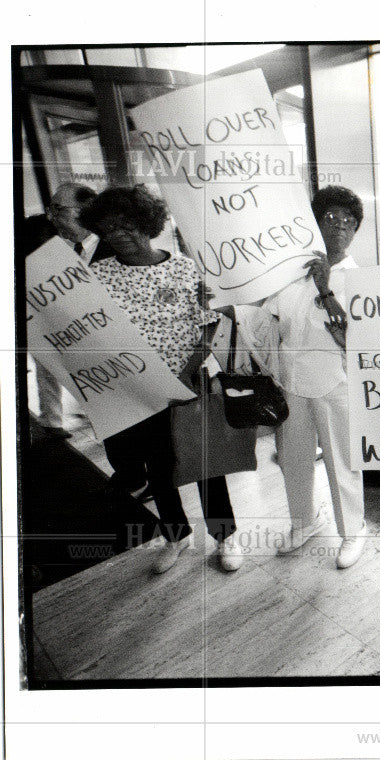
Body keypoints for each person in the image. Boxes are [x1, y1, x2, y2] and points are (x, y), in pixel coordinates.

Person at [79, 185, 244, 573]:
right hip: (135, 389)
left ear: (148, 224)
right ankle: (176, 536)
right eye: (112, 229)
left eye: (130, 225)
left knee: (205, 461)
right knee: (158, 468)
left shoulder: (184, 268)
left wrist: (187, 370)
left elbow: (207, 326)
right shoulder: (97, 275)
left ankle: (226, 535)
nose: (122, 235)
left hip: (190, 380)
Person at [232, 185, 366, 568]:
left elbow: (355, 337)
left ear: (355, 230)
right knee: (294, 457)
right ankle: (303, 521)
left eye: (348, 221)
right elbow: (263, 324)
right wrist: (230, 307)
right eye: (330, 218)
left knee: (343, 461)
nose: (339, 226)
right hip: (290, 382)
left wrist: (325, 290)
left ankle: (352, 530)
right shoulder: (290, 276)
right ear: (315, 223)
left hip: (336, 384)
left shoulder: (358, 280)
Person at [19, 183, 112, 440]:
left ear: (84, 210)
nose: (52, 217)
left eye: (57, 210)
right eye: (50, 211)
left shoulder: (112, 248)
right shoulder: (69, 250)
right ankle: (55, 420)